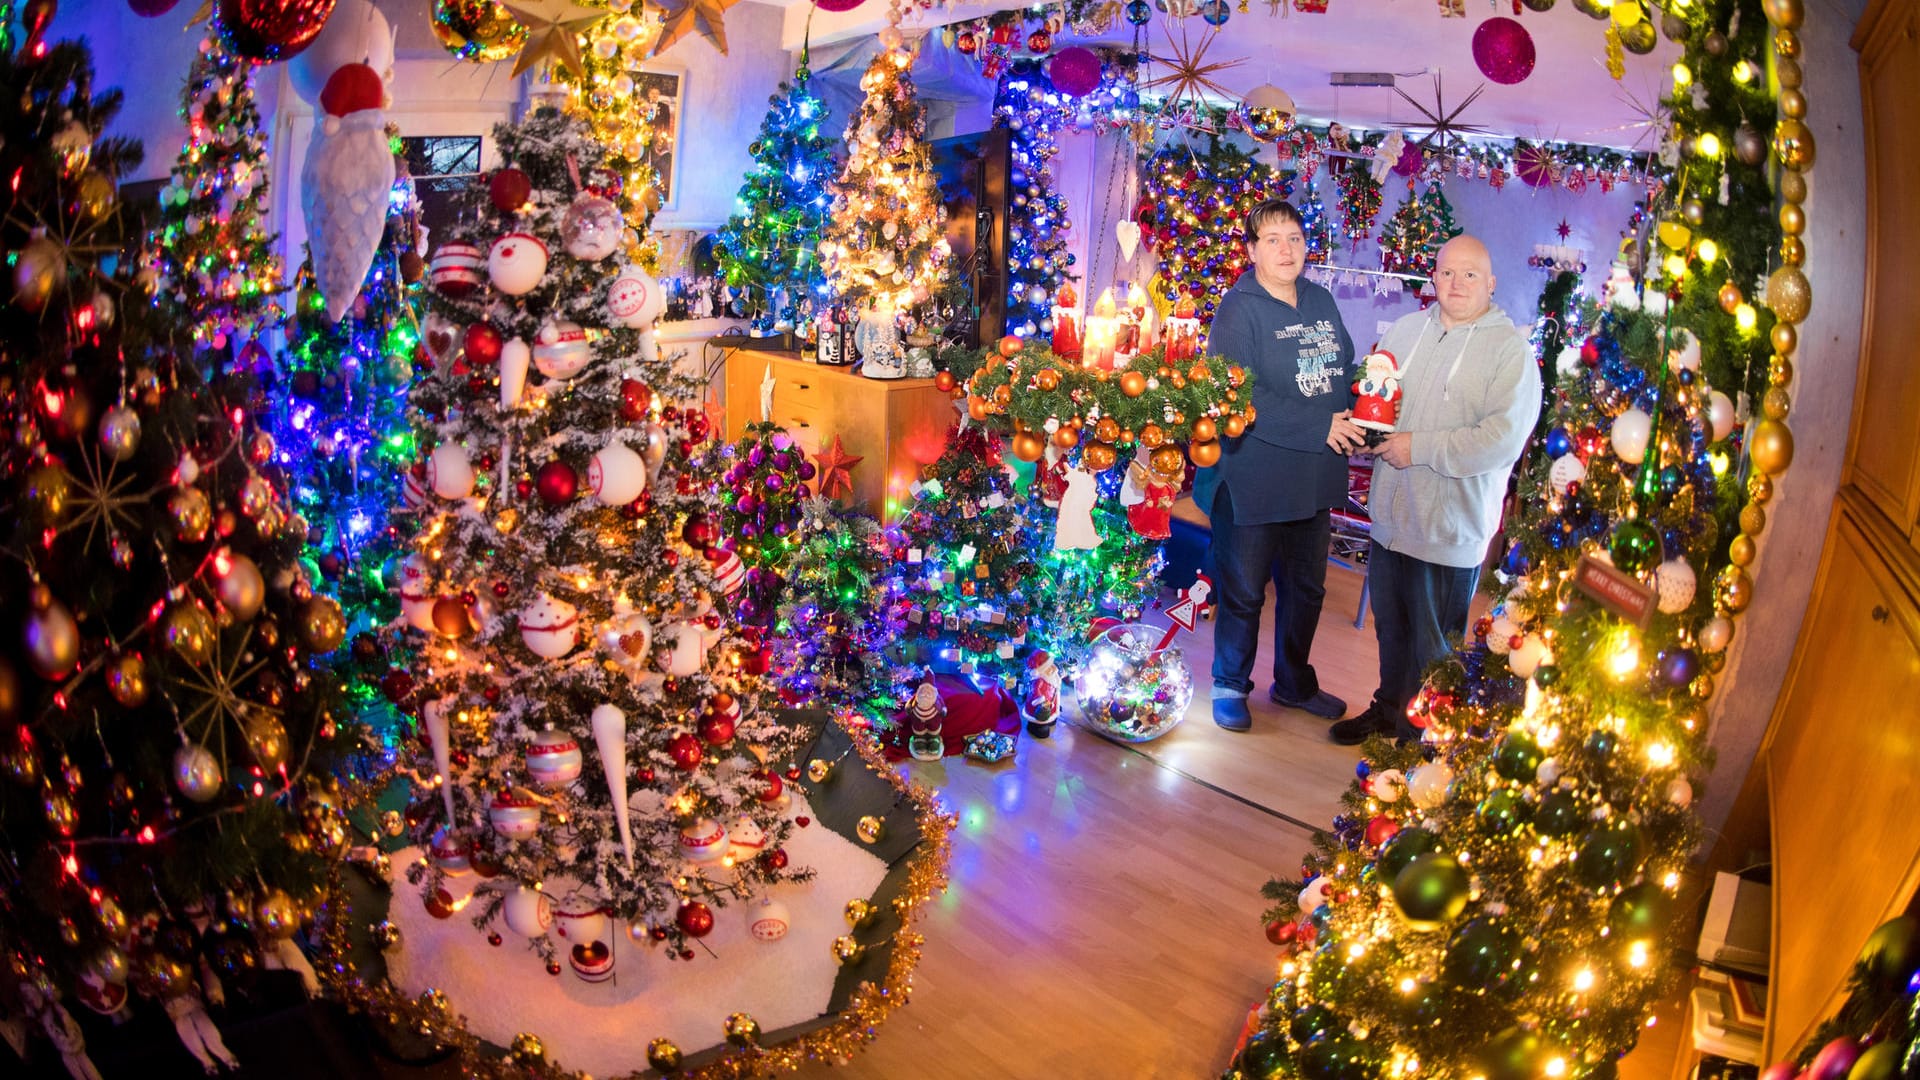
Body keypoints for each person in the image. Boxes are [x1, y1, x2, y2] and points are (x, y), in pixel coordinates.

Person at [1329, 235, 1542, 745]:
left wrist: (1416, 447)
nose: (1457, 283)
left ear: (1491, 284)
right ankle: (1387, 710)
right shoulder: (1405, 331)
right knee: (1392, 631)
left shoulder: (1511, 353)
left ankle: (1420, 744)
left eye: (1470, 274)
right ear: (1433, 278)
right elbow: (1379, 403)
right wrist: (1363, 428)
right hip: (1390, 519)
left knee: (1434, 649)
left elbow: (1500, 441)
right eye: (1447, 272)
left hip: (1449, 530)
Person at [1196, 200, 1368, 732]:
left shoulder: (1320, 300)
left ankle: (1293, 683)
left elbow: (1342, 364)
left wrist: (1373, 391)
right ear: (1252, 251)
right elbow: (1241, 396)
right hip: (1253, 478)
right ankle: (1229, 683)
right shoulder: (1237, 309)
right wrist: (1320, 425)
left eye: (1293, 237)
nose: (1286, 249)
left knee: (1307, 590)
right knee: (1244, 590)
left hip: (1312, 478)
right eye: (1272, 239)